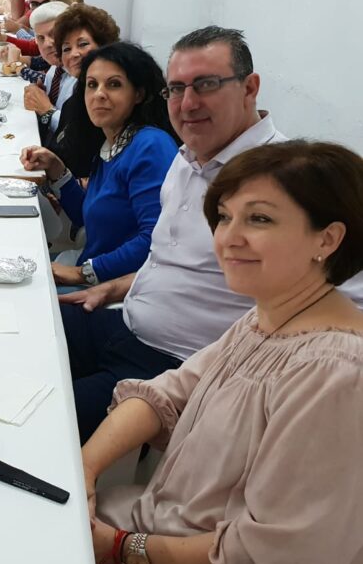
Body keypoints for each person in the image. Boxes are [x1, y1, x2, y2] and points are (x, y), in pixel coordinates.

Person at [86, 140, 363, 564]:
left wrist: (121, 548)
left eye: (259, 219)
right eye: (224, 217)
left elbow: (273, 559)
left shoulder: (338, 374)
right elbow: (166, 393)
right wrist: (85, 467)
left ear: (327, 239)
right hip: (154, 545)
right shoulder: (267, 318)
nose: (228, 238)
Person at [60, 26, 293, 442]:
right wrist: (112, 288)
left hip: (175, 367)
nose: (188, 103)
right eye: (177, 89)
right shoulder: (187, 158)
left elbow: (340, 312)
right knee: (16, 330)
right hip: (122, 323)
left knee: (40, 423)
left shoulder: (290, 180)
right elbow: (168, 257)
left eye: (206, 85)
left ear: (250, 88)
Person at [21, 42, 180, 288]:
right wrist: (56, 169)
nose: (99, 94)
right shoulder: (110, 142)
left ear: (139, 94)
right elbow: (90, 217)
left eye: (114, 84)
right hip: (93, 270)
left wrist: (82, 273)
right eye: (92, 84)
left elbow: (156, 239)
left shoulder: (150, 145)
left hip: (116, 291)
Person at [47, 3, 122, 178]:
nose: (74, 54)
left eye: (82, 44)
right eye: (66, 49)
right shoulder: (73, 101)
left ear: (104, 45)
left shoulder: (108, 103)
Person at [21, 1, 76, 140]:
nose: (47, 44)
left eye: (53, 34)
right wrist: (39, 95)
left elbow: (76, 133)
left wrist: (47, 110)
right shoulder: (54, 69)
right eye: (41, 38)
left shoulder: (82, 76)